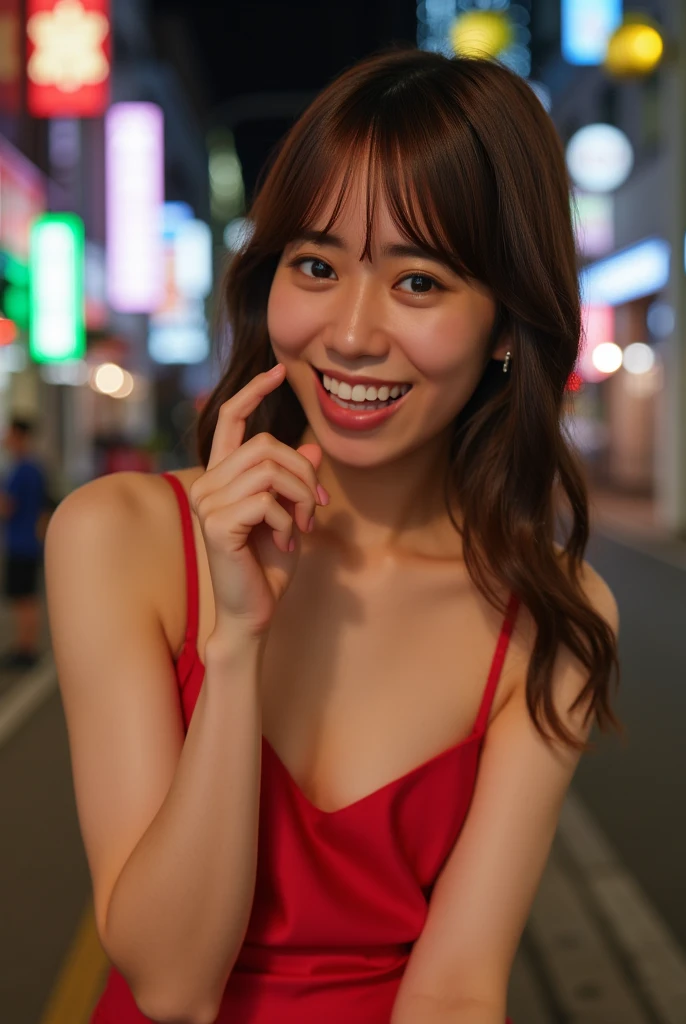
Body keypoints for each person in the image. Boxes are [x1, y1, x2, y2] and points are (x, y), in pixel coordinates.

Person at [45, 49, 621, 1024]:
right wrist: (232, 648)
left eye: (419, 282)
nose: (350, 333)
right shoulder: (121, 535)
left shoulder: (549, 615)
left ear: (504, 328)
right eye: (316, 266)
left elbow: (455, 987)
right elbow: (173, 984)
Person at [0, 415, 48, 670]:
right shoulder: (32, 467)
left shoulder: (23, 469)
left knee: (24, 598)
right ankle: (24, 645)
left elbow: (8, 506)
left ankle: (26, 648)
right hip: (27, 540)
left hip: (22, 541)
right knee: (25, 597)